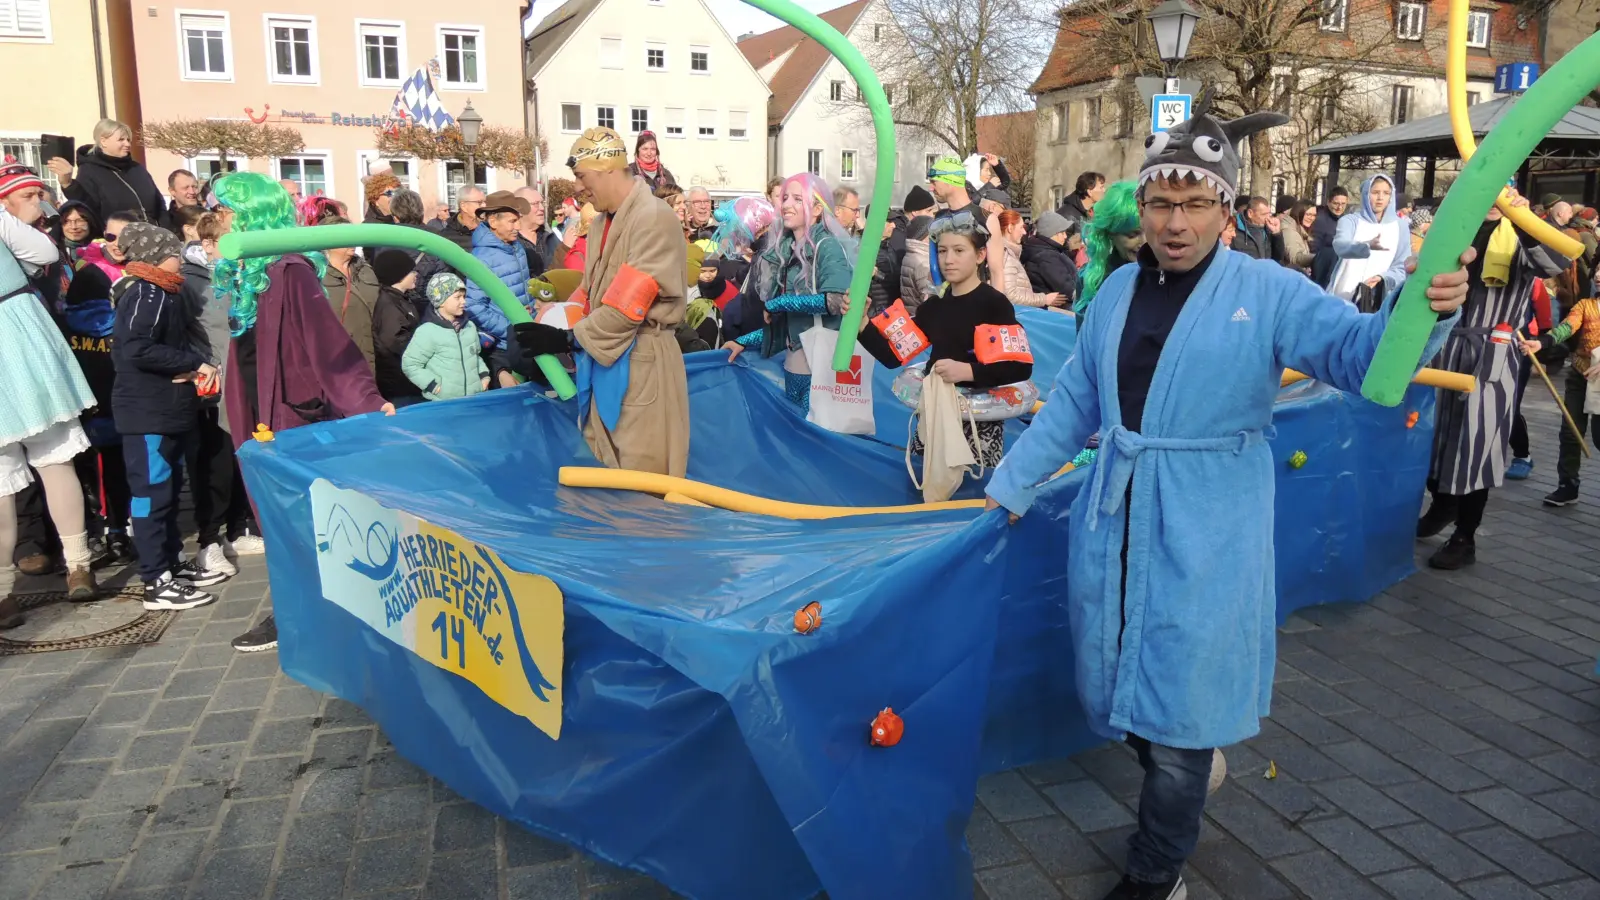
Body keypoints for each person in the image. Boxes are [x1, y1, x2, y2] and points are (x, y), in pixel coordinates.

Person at [983, 107, 1474, 900]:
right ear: (1139, 209)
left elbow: (1359, 357)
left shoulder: (1269, 290)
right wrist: (1009, 489)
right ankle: (1184, 761)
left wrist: (1424, 308)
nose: (1176, 224)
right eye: (1161, 204)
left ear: (1224, 206)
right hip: (1118, 514)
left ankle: (1155, 872)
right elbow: (1075, 402)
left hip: (1209, 526)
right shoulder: (1111, 296)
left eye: (1196, 204)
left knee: (1183, 712)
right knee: (1122, 685)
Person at [211, 172, 393, 653]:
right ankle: (304, 610)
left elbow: (329, 347)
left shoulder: (288, 268)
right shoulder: (250, 271)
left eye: (228, 208)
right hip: (259, 411)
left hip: (291, 415)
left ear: (253, 214)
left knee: (296, 516)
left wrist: (368, 403)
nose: (220, 218)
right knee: (277, 514)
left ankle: (303, 615)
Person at [511, 127, 690, 476]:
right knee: (605, 470)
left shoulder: (653, 218)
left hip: (643, 363)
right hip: (606, 357)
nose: (576, 186)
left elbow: (629, 306)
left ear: (608, 169)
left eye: (580, 175)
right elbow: (592, 292)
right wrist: (556, 316)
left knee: (642, 477)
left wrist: (567, 338)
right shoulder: (601, 224)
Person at [1419, 196, 1566, 569]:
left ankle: (1465, 536)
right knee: (1433, 436)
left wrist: (1522, 219)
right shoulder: (1457, 226)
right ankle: (1443, 503)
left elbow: (1554, 263)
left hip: (1492, 351)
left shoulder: (1520, 232)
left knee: (1476, 442)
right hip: (1444, 345)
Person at [855, 212, 1032, 481]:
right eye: (943, 251)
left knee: (968, 499)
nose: (949, 259)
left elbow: (1020, 368)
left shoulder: (994, 304)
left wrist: (968, 371)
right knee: (922, 490)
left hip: (979, 428)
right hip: (933, 419)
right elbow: (893, 356)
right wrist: (862, 324)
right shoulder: (932, 307)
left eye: (959, 250)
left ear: (980, 255)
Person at [0, 162, 103, 622]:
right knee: (29, 465)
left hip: (19, 333)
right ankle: (60, 573)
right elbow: (43, 250)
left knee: (38, 461)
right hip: (18, 332)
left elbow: (42, 249)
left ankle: (64, 572)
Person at [109, 223, 227, 609]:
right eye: (176, 251)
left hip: (168, 410)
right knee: (151, 495)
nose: (182, 258)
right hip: (148, 414)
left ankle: (171, 564)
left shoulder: (164, 292)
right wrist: (195, 364)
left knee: (171, 491)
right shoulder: (147, 292)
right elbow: (136, 349)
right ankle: (155, 580)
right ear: (160, 256)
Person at [179, 212, 249, 578]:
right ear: (207, 245)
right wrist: (200, 368)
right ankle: (208, 541)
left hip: (240, 382)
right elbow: (184, 335)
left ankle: (238, 530)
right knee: (213, 463)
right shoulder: (191, 282)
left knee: (238, 457)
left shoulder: (238, 273)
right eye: (228, 240)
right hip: (211, 388)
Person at [1524, 294, 1600, 506]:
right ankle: (1568, 485)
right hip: (1580, 375)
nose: (1598, 276)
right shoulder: (1586, 305)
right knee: (1570, 431)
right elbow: (1566, 327)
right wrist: (1542, 343)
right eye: (1597, 269)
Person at [47, 119, 165, 226]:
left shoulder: (137, 168)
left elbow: (159, 204)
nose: (128, 144)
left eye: (128, 140)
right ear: (103, 141)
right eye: (121, 139)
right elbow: (87, 206)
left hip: (154, 237)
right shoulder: (90, 170)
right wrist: (68, 184)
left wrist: (169, 230)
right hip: (118, 240)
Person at [464, 191, 533, 361]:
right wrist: (511, 329)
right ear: (493, 221)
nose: (518, 227)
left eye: (518, 220)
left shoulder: (517, 248)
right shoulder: (482, 258)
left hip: (527, 338)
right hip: (505, 348)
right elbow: (474, 307)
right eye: (512, 221)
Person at [403, 273, 490, 402]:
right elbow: (410, 364)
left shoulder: (469, 327)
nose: (463, 301)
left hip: (473, 398)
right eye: (457, 297)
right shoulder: (428, 331)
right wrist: (432, 385)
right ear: (441, 301)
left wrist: (483, 375)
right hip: (443, 403)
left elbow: (475, 355)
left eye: (464, 296)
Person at [1330, 174, 1410, 309]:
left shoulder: (1400, 226)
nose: (1380, 198)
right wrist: (1366, 246)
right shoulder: (1350, 221)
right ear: (1366, 194)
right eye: (1375, 192)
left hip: (1379, 301)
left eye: (1386, 193)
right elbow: (1340, 246)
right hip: (1343, 295)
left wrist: (1383, 278)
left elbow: (1402, 266)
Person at [317, 215, 381, 373]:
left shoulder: (365, 270)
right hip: (342, 363)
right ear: (328, 242)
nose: (352, 240)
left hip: (378, 356)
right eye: (346, 236)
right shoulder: (317, 276)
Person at [1075, 180, 1141, 316]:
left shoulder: (1166, 275)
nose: (1145, 242)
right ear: (1110, 233)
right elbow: (1084, 335)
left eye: (1151, 231)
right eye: (1132, 234)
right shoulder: (1092, 279)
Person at [370, 249, 425, 406]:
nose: (416, 274)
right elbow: (394, 340)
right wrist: (425, 350)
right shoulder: (389, 304)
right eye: (411, 271)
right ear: (399, 276)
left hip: (406, 381)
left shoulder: (401, 299)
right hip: (400, 385)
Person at [996, 210, 1063, 309]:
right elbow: (1009, 295)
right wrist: (1044, 299)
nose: (1024, 232)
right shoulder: (1005, 255)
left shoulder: (1007, 253)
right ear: (1010, 228)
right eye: (1021, 227)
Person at [1022, 210, 1080, 303]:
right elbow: (1067, 289)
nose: (1065, 236)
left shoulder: (1051, 250)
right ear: (1052, 234)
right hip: (1060, 310)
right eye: (1062, 233)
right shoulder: (1047, 257)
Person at [514, 186, 557, 276]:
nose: (542, 208)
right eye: (535, 204)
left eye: (542, 203)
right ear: (520, 210)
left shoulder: (551, 238)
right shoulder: (511, 243)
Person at [1231, 196, 1286, 263]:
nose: (1268, 217)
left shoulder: (1268, 228)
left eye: (1269, 213)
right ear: (1250, 213)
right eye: (1264, 214)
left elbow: (1278, 257)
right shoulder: (1234, 227)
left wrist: (1276, 233)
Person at [438, 185, 487, 254]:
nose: (484, 206)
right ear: (464, 206)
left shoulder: (491, 229)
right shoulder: (446, 237)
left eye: (485, 202)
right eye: (479, 202)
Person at [1309, 185, 1349, 256]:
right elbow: (1313, 248)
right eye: (1336, 203)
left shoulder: (1345, 219)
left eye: (1343, 204)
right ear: (1328, 202)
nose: (1339, 207)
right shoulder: (1319, 219)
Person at [1280, 201, 1318, 275]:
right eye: (1308, 214)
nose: (1311, 218)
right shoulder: (1289, 231)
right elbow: (1294, 258)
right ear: (1299, 213)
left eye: (1314, 215)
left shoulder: (1300, 230)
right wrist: (1318, 258)